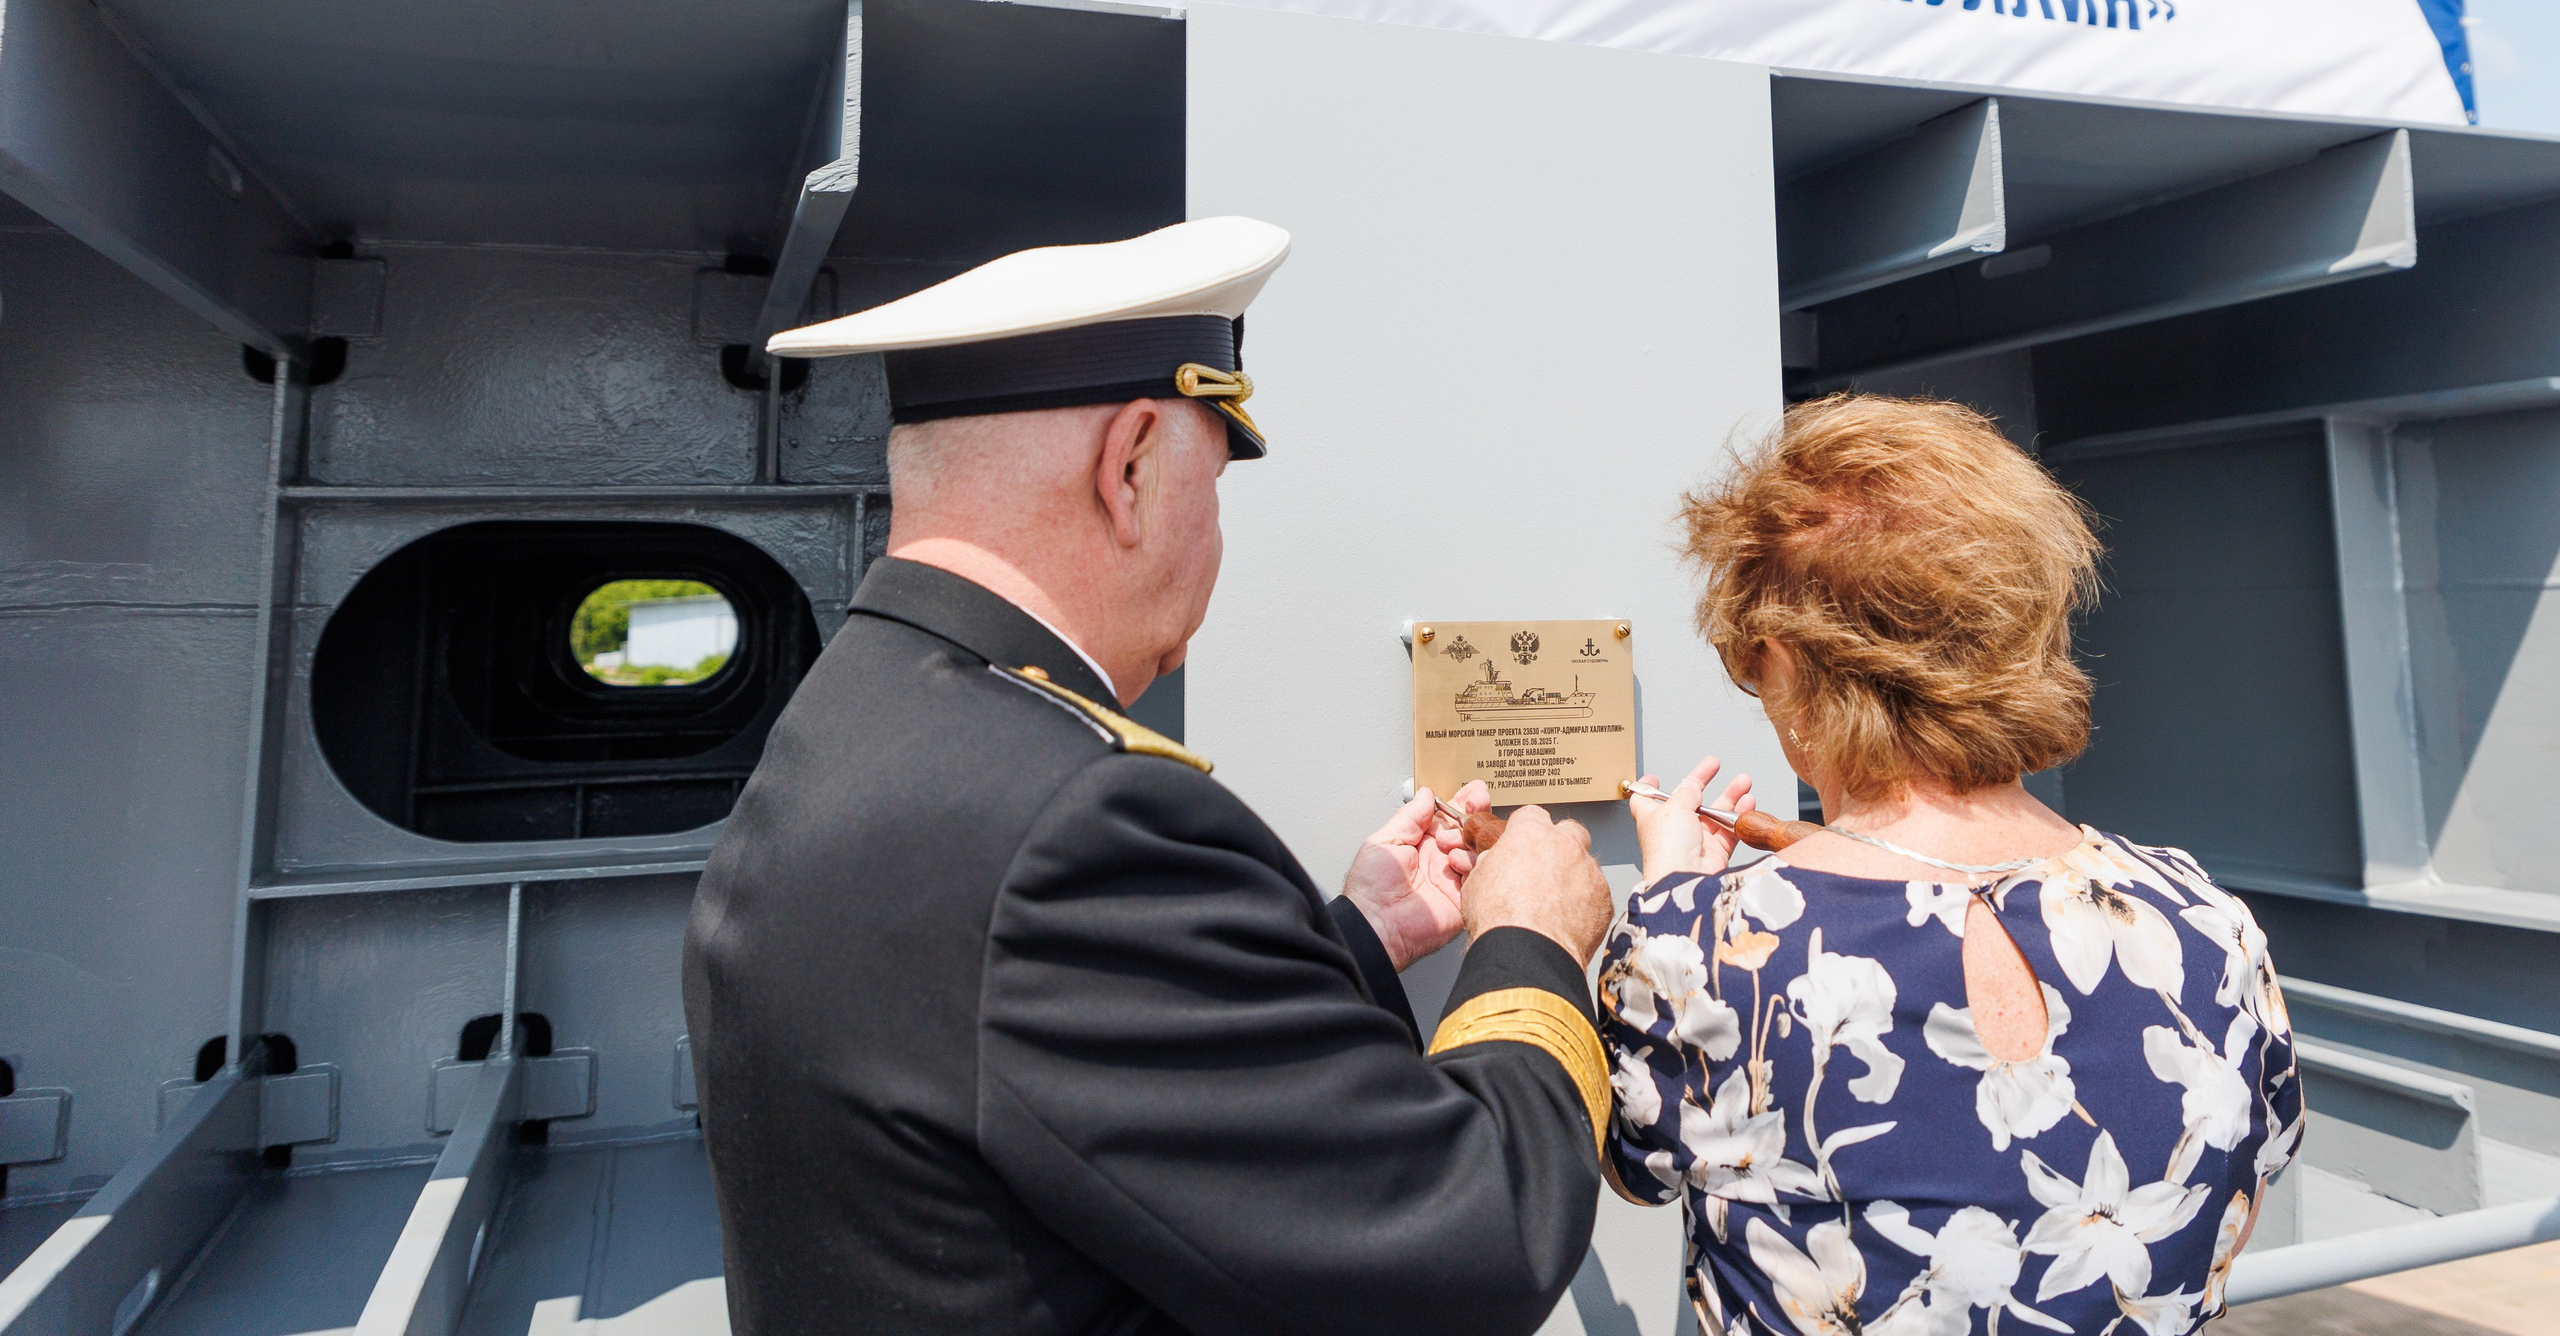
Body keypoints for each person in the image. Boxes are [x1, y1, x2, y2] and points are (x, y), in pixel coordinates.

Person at [682, 216, 1618, 1336]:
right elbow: (1473, 1241)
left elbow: (1069, 1061)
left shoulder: (865, 711)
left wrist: (1360, 937)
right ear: (1127, 469)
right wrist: (1530, 942)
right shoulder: (1078, 820)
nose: (1215, 541)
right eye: (1213, 488)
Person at [1600, 395, 2302, 1336]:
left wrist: (1670, 905)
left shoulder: (1697, 945)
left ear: (1789, 662)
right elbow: (2231, 1206)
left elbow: (1634, 1166)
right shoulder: (2205, 920)